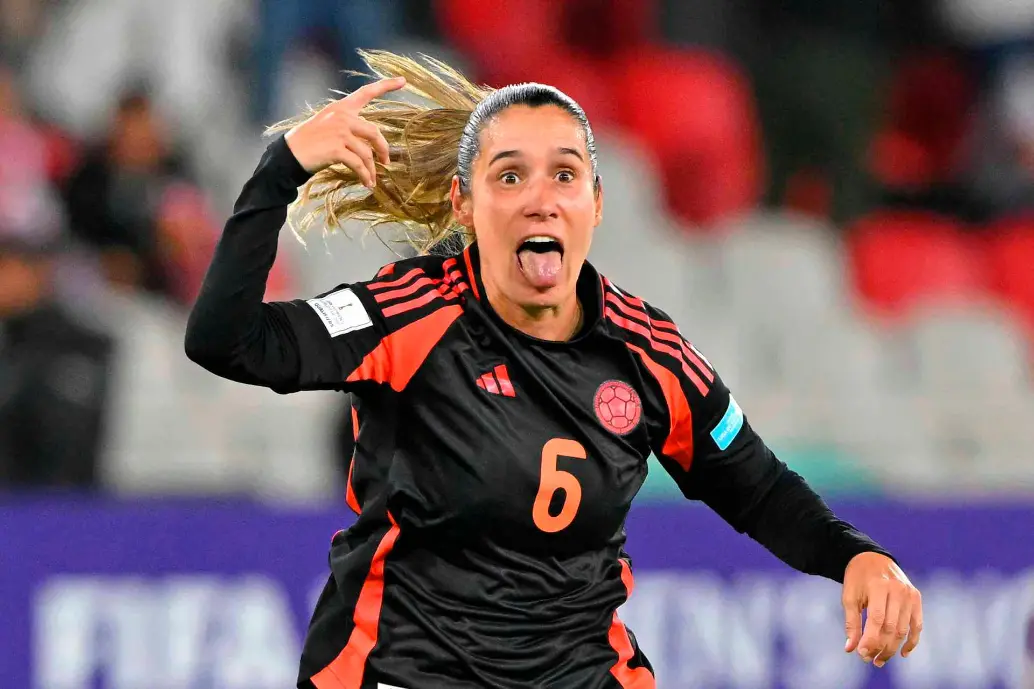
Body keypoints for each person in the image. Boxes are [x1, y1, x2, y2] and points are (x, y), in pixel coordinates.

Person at [185, 50, 922, 689]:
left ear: (596, 204)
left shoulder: (647, 352)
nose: (540, 198)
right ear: (464, 205)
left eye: (565, 175)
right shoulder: (410, 316)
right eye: (509, 178)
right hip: (403, 671)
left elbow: (756, 487)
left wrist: (857, 557)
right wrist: (280, 172)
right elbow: (226, 339)